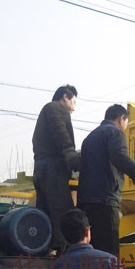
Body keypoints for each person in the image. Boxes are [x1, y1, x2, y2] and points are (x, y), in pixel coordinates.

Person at [77, 103, 135, 256]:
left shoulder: (89, 138)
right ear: (121, 119)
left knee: (90, 251)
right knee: (108, 252)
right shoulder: (115, 133)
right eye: (126, 122)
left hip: (85, 202)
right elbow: (120, 157)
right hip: (105, 201)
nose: (125, 126)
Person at [32, 84, 79, 253]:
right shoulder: (55, 108)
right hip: (53, 168)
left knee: (45, 211)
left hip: (42, 168)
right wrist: (71, 155)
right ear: (65, 97)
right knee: (62, 211)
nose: (74, 107)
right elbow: (59, 131)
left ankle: (45, 248)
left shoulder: (47, 111)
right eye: (74, 101)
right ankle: (63, 250)